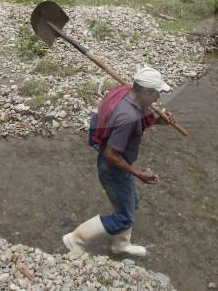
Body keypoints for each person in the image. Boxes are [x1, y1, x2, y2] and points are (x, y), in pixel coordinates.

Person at [63, 66, 176, 257]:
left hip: (117, 165)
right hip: (113, 168)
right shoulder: (127, 117)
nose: (158, 98)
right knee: (124, 217)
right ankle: (75, 240)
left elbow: (135, 121)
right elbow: (111, 154)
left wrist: (157, 120)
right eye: (156, 94)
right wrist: (138, 173)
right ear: (146, 92)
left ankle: (120, 245)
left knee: (133, 203)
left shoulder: (124, 92)